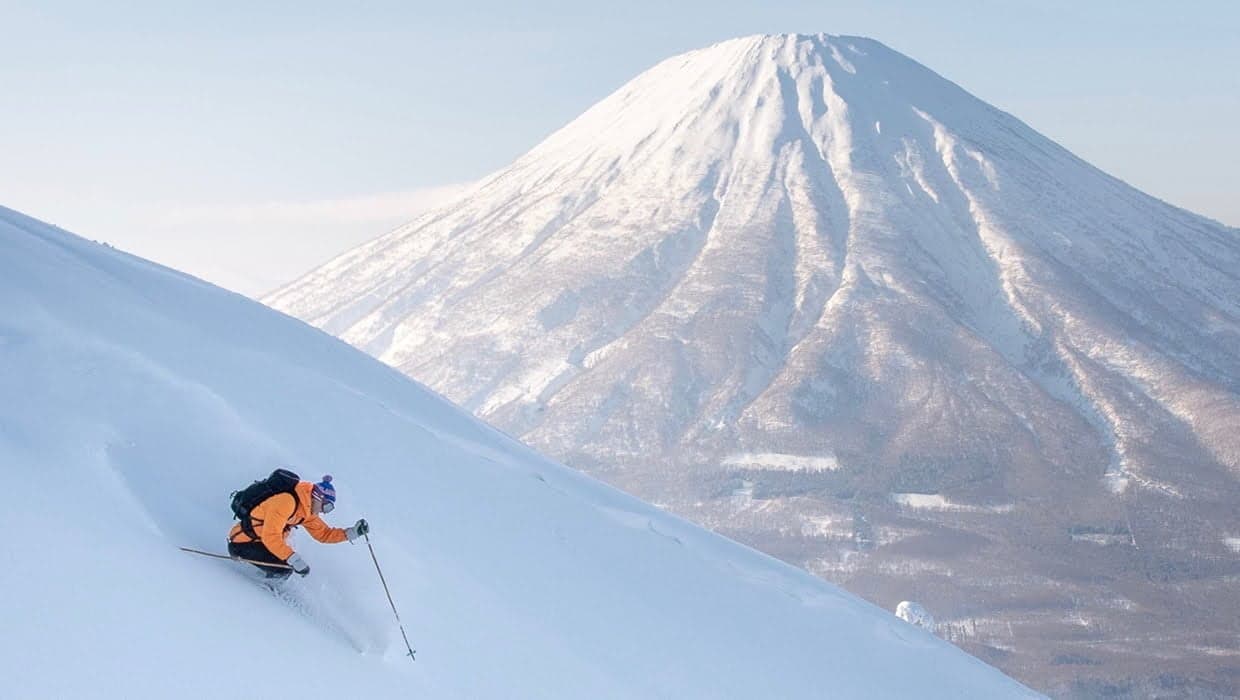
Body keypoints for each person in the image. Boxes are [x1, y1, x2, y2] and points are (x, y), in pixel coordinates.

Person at [227, 474, 368, 579]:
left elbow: (324, 534)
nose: (323, 512)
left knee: (284, 568)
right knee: (284, 569)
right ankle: (261, 594)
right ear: (317, 497)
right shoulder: (286, 502)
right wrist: (293, 558)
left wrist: (353, 532)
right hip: (243, 544)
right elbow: (270, 536)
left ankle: (262, 584)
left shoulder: (305, 512)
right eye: (326, 507)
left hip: (262, 544)